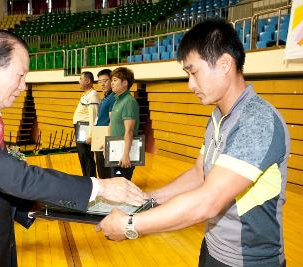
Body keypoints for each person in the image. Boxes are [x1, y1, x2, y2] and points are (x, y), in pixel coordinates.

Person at [0, 30, 144, 267]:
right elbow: (15, 177)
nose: (23, 86)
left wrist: (30, 207)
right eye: (20, 75)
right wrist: (100, 186)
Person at [96, 19, 290, 267]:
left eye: (194, 72)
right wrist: (148, 199)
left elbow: (209, 201)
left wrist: (130, 225)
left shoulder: (257, 120)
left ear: (224, 64)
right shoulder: (220, 116)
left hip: (248, 261)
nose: (190, 84)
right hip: (212, 247)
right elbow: (200, 174)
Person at [109, 67, 140, 180]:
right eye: (112, 80)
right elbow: (114, 126)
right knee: (115, 186)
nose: (111, 83)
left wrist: (126, 154)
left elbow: (129, 131)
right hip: (115, 151)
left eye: (115, 80)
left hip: (123, 154)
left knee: (121, 187)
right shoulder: (117, 100)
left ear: (125, 83)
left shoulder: (129, 102)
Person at [73, 71, 100, 177]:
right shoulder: (87, 94)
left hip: (85, 129)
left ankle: (91, 181)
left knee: (87, 157)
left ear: (88, 81)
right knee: (83, 157)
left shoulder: (92, 95)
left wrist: (90, 135)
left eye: (80, 79)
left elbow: (93, 117)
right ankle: (87, 179)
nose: (78, 81)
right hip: (81, 128)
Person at [95, 68, 116, 178]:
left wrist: (107, 140)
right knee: (100, 166)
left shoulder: (112, 98)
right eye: (99, 81)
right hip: (99, 134)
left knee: (105, 168)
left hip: (105, 135)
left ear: (111, 81)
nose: (102, 84)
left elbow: (112, 120)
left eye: (105, 81)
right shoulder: (105, 98)